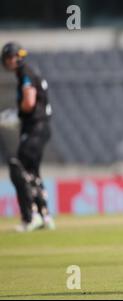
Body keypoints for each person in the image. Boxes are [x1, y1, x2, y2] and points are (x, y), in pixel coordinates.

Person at [1, 42, 55, 232]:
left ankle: (30, 217)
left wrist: (17, 114)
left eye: (10, 58)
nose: (8, 62)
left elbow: (29, 102)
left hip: (35, 128)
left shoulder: (25, 73)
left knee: (18, 168)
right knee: (32, 171)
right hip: (42, 128)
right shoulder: (30, 72)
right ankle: (45, 215)